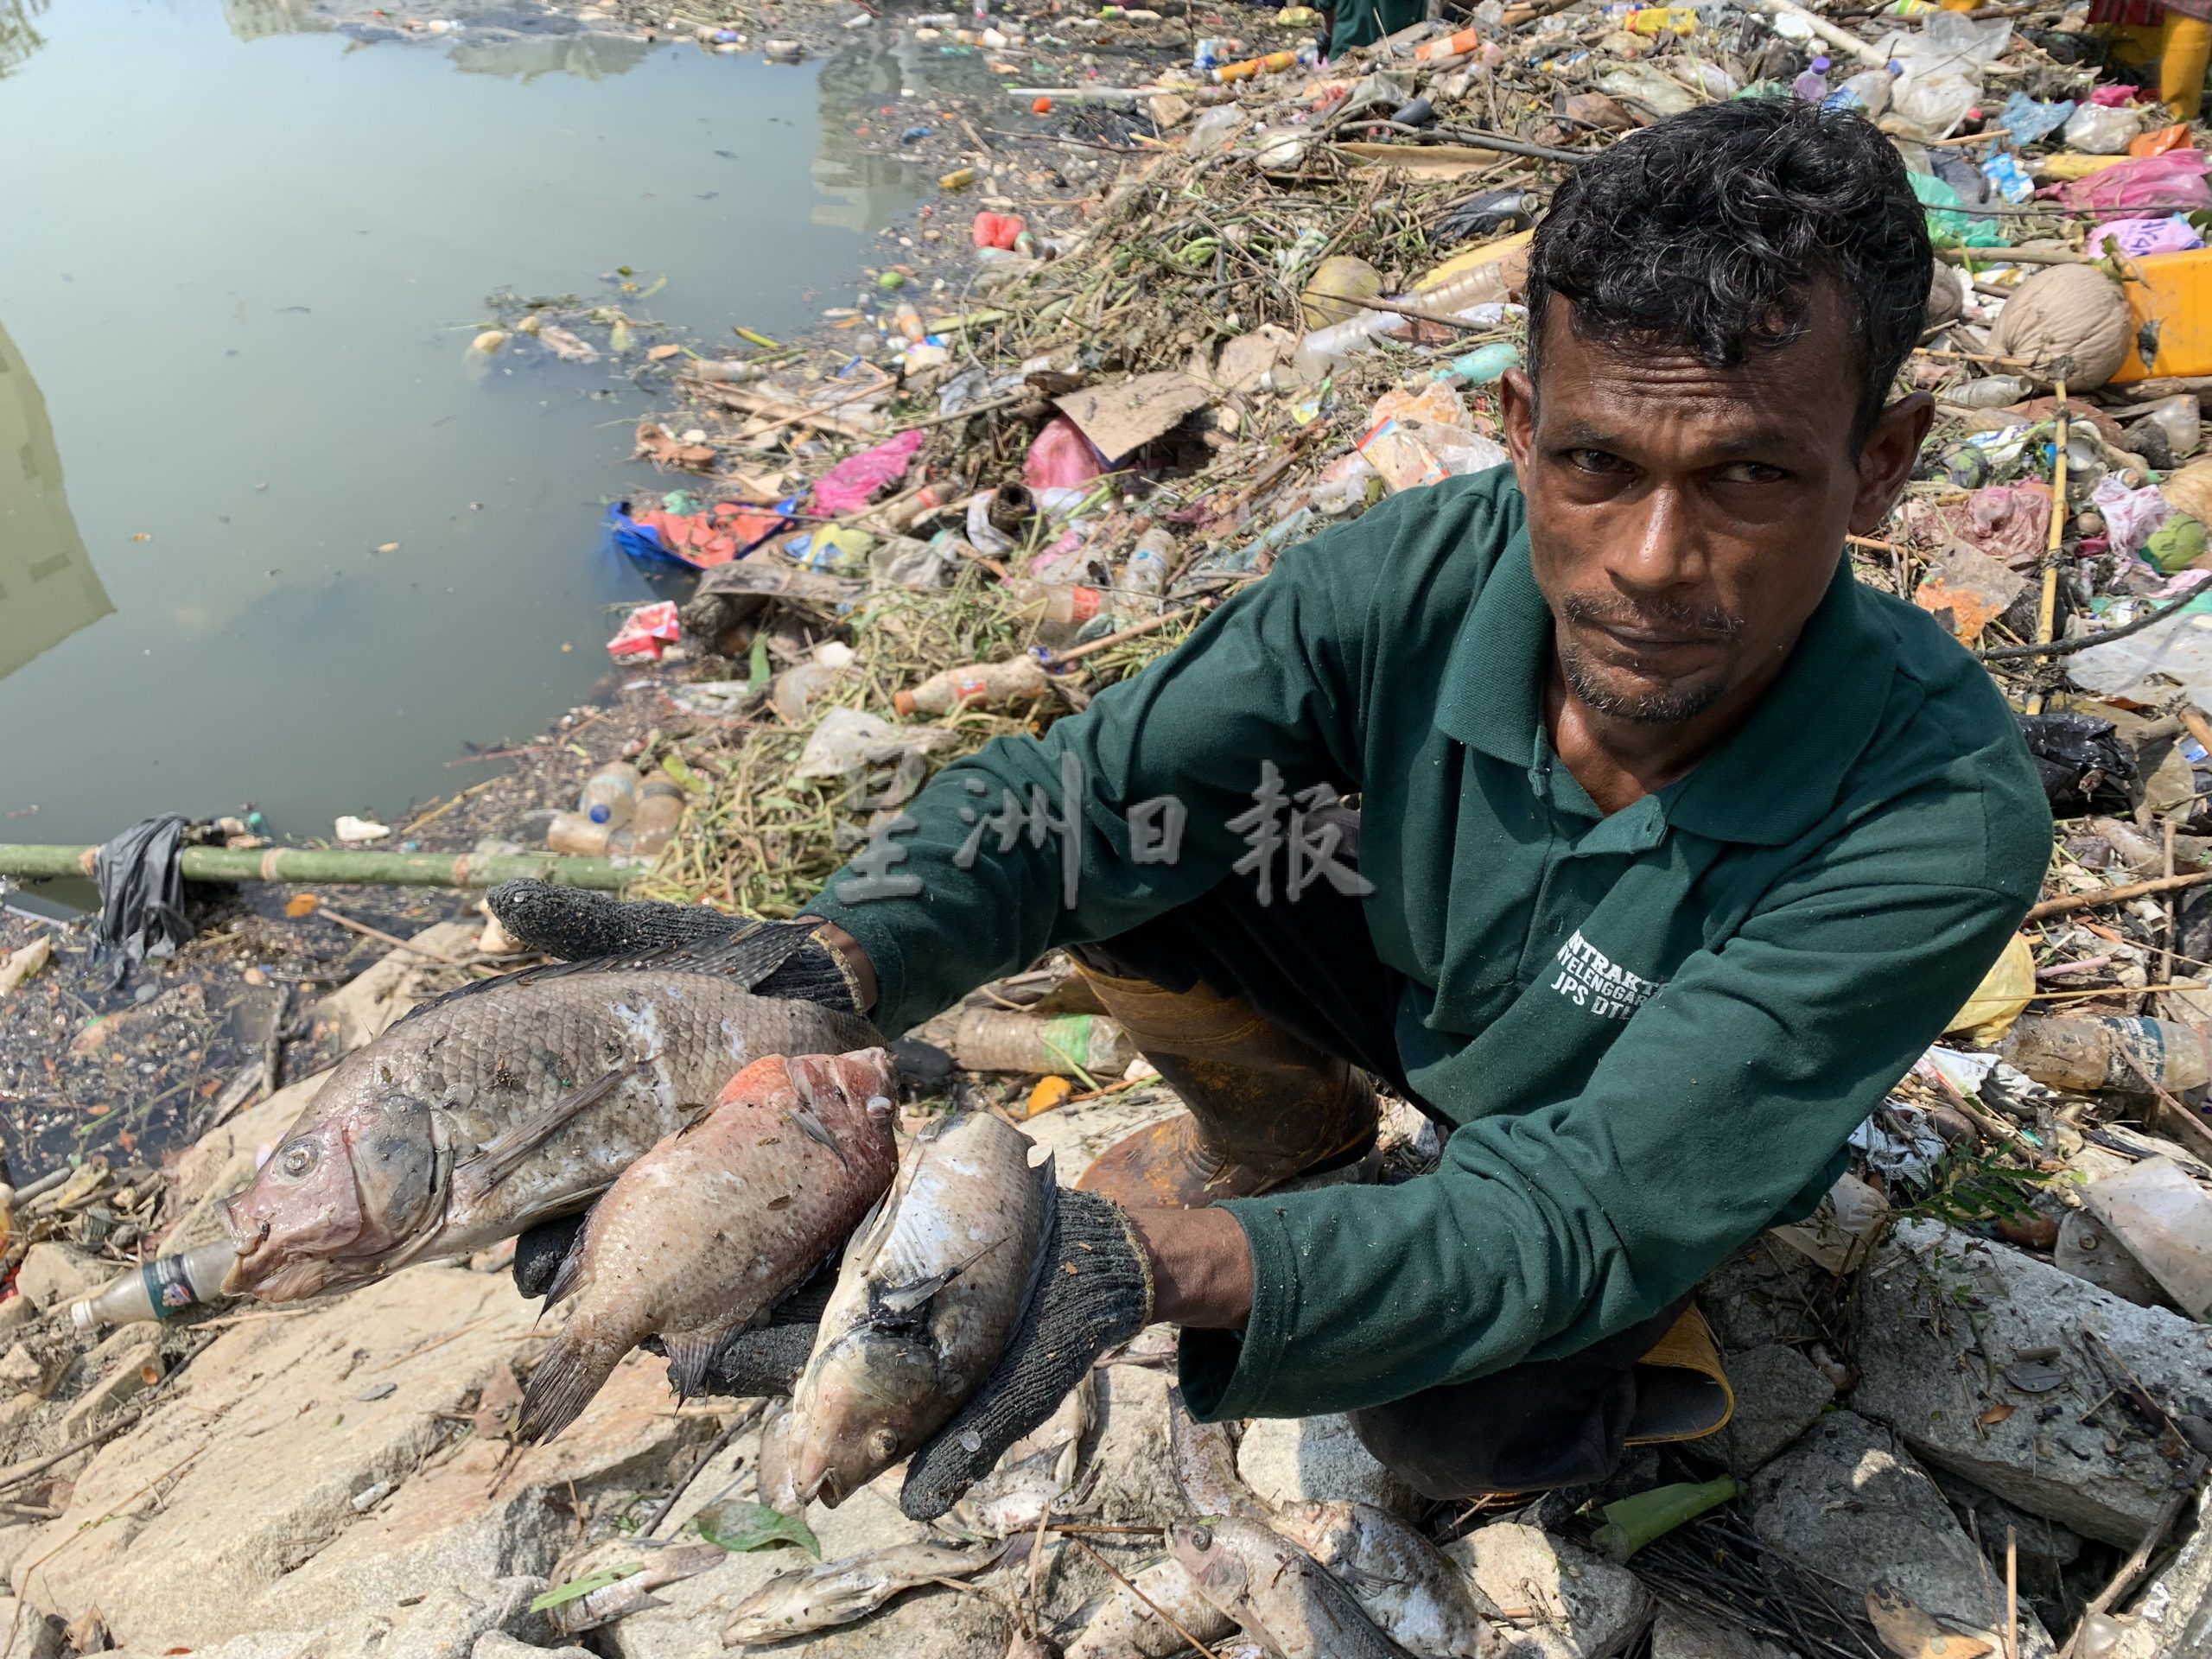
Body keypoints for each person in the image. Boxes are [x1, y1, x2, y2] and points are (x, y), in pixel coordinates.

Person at [492, 97, 2050, 1518]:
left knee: (1451, 1431)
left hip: (1617, 1128)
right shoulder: (1415, 575)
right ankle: (1285, 1130)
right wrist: (827, 976)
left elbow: (1580, 1210)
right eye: (1594, 462)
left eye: (1748, 481)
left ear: (1882, 464)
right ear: (1519, 427)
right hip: (1420, 990)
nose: (1647, 559)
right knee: (1125, 840)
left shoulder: (1932, 817)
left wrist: (1135, 1270)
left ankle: (1606, 1430)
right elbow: (1072, 794)